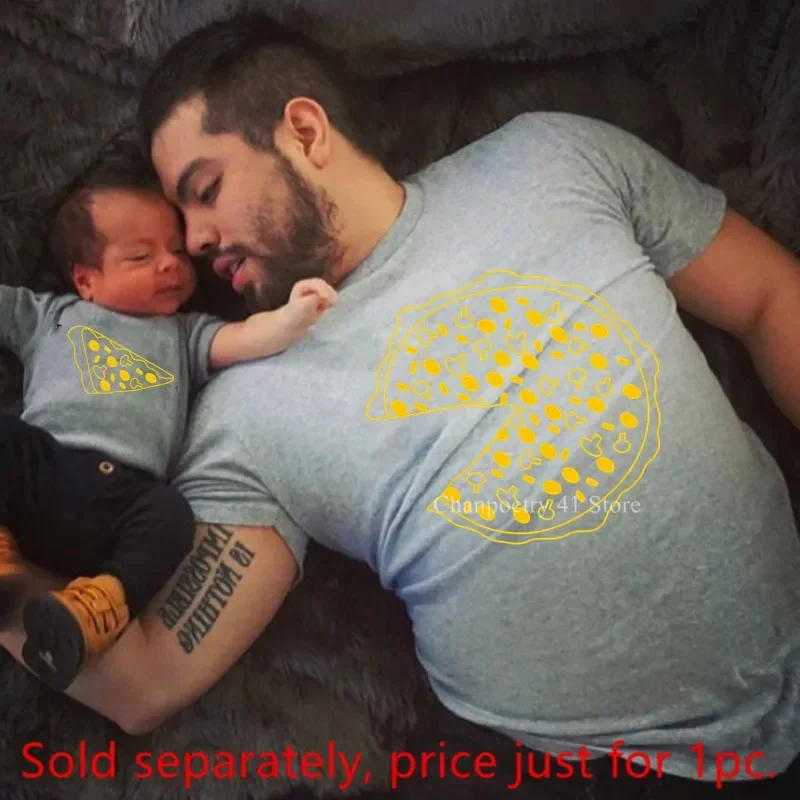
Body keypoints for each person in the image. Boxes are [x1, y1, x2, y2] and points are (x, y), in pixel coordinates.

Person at [3, 13, 800, 798]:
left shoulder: (549, 158)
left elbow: (768, 297)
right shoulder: (246, 407)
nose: (196, 242)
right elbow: (145, 679)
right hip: (567, 767)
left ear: (305, 132)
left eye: (205, 191)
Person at [0, 145, 335, 692]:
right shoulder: (51, 317)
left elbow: (245, 337)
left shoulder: (185, 334)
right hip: (43, 471)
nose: (169, 265)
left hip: (122, 501)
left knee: (172, 517)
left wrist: (293, 317)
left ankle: (96, 608)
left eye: (177, 252)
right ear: (85, 281)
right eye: (140, 257)